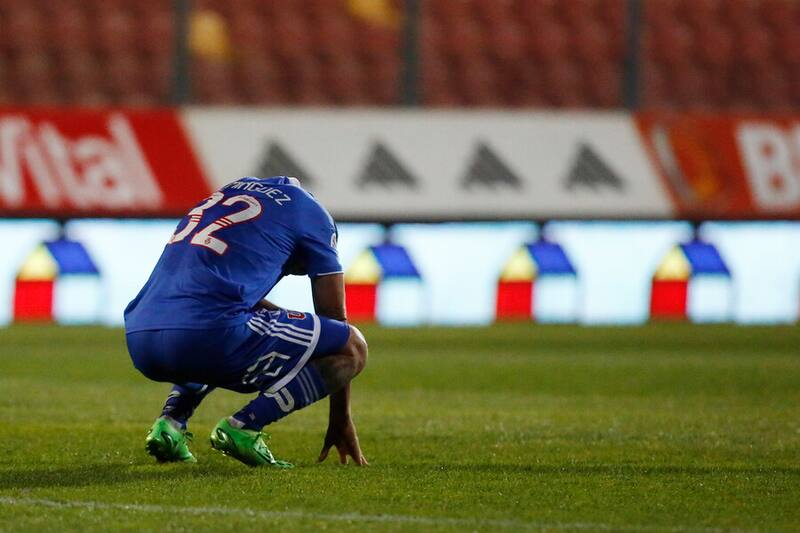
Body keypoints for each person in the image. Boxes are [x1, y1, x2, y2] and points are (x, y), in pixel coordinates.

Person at [124, 176, 368, 468]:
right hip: (206, 335)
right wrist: (340, 418)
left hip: (139, 337)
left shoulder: (227, 195)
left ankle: (170, 424)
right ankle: (244, 426)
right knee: (354, 346)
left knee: (222, 321)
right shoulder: (313, 216)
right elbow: (336, 325)